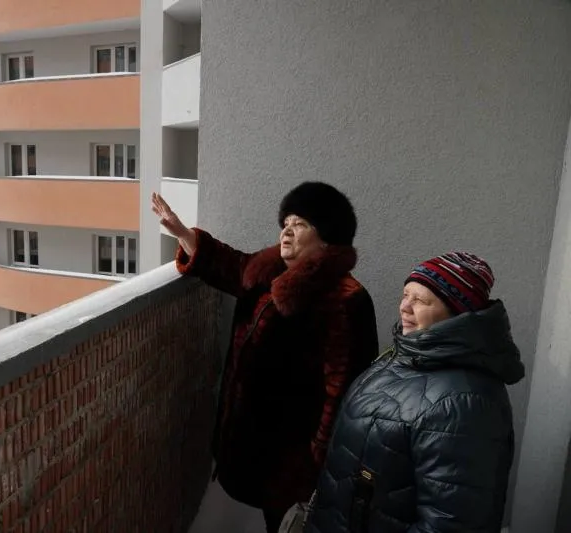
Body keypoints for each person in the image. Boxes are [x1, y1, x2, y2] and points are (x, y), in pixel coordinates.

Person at [151, 182, 379, 533]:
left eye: (300, 224)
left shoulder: (346, 300)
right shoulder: (269, 272)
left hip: (295, 460)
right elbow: (228, 265)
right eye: (285, 222)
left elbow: (344, 394)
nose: (287, 230)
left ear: (327, 237)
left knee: (291, 523)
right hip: (260, 448)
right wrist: (182, 232)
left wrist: (318, 462)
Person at [305, 252, 525, 533]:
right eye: (405, 295)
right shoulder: (405, 356)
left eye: (420, 300)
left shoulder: (464, 403)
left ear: (456, 312)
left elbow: (452, 523)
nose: (404, 307)